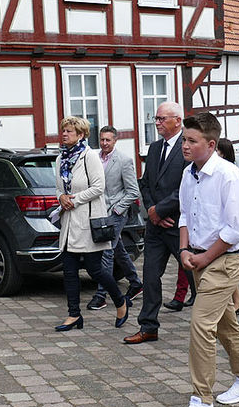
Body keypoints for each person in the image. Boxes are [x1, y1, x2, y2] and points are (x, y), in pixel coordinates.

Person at [173, 112, 239, 407]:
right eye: (184, 139)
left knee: (201, 324)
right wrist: (184, 249)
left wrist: (204, 258)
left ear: (210, 144)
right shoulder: (188, 174)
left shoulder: (228, 174)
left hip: (225, 260)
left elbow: (237, 229)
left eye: (191, 141)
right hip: (199, 258)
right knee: (225, 325)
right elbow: (185, 214)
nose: (185, 145)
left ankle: (202, 401)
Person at [50, 116, 130, 332]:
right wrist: (61, 198)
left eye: (69, 131)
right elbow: (59, 188)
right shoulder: (60, 159)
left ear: (81, 135)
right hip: (68, 224)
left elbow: (98, 187)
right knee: (68, 271)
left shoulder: (89, 157)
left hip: (87, 222)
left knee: (95, 270)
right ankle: (74, 314)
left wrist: (73, 199)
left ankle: (120, 301)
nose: (64, 134)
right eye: (63, 131)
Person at [124, 101, 192, 345]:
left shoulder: (187, 148)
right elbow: (145, 183)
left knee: (196, 276)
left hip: (177, 224)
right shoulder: (154, 149)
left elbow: (186, 187)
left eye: (163, 119)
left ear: (177, 120)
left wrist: (161, 211)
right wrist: (153, 210)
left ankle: (219, 321)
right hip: (156, 226)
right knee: (150, 276)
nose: (158, 123)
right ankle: (148, 326)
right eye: (156, 119)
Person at [87, 125, 142, 311]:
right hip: (99, 212)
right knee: (118, 249)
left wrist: (118, 209)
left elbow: (133, 191)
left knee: (107, 251)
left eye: (108, 140)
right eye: (102, 139)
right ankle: (135, 282)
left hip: (116, 213)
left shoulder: (124, 160)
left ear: (115, 140)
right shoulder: (95, 157)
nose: (104, 143)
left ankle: (101, 295)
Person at [216, 137, 239, 315]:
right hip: (218, 228)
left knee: (226, 271)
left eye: (217, 151)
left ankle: (236, 302)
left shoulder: (231, 172)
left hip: (229, 229)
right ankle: (236, 301)